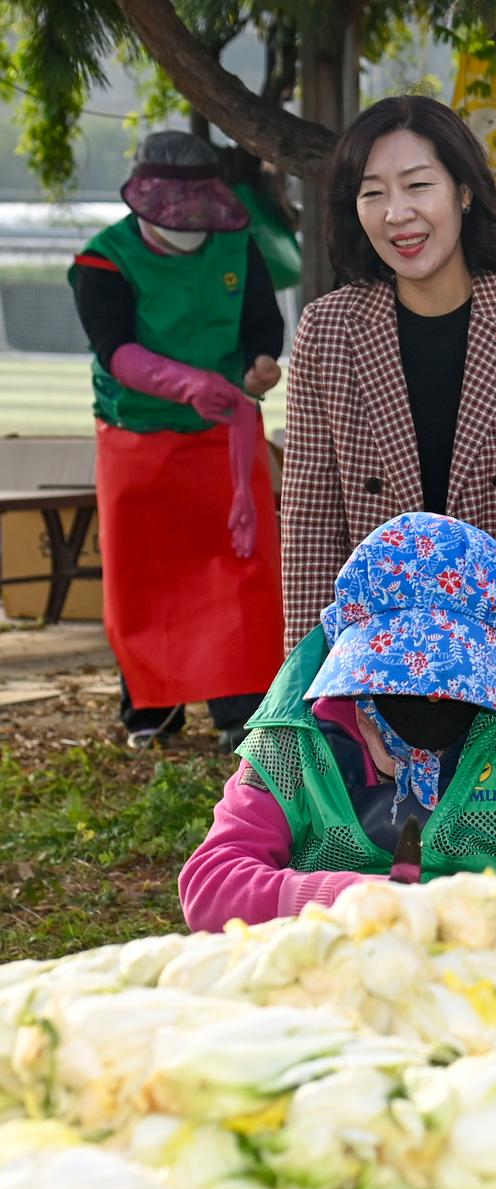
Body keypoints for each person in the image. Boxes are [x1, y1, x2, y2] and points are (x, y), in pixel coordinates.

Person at [179, 513, 496, 932]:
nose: (426, 708)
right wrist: (343, 900)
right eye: (396, 686)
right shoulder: (293, 740)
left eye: (454, 689)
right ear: (352, 675)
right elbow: (211, 882)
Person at [280, 95, 496, 696]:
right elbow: (311, 524)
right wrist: (312, 692)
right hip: (372, 667)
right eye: (372, 193)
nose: (397, 213)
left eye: (417, 185)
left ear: (463, 192)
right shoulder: (329, 330)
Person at [67, 130, 287, 752]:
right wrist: (186, 383)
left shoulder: (238, 244)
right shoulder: (101, 261)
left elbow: (261, 324)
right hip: (138, 441)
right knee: (147, 577)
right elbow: (115, 349)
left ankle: (240, 709)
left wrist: (262, 362)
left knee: (238, 577)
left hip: (223, 442)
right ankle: (152, 713)